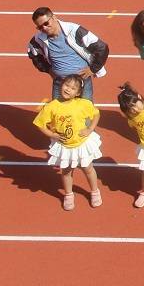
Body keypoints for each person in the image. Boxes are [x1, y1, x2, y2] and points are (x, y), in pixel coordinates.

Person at [32, 74, 103, 211]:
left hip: (81, 144)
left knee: (88, 168)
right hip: (64, 146)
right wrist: (52, 135)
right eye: (66, 85)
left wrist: (90, 129)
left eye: (73, 88)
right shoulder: (51, 106)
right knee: (66, 172)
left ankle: (94, 191)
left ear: (78, 93)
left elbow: (96, 114)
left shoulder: (83, 104)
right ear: (61, 85)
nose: (68, 89)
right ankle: (69, 195)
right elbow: (39, 123)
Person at [28, 7, 109, 101]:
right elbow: (34, 55)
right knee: (58, 113)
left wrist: (93, 69)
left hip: (81, 82)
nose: (44, 28)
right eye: (40, 27)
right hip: (60, 83)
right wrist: (48, 70)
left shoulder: (74, 30)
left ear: (54, 17)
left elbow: (102, 48)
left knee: (86, 113)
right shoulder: (37, 40)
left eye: (46, 23)